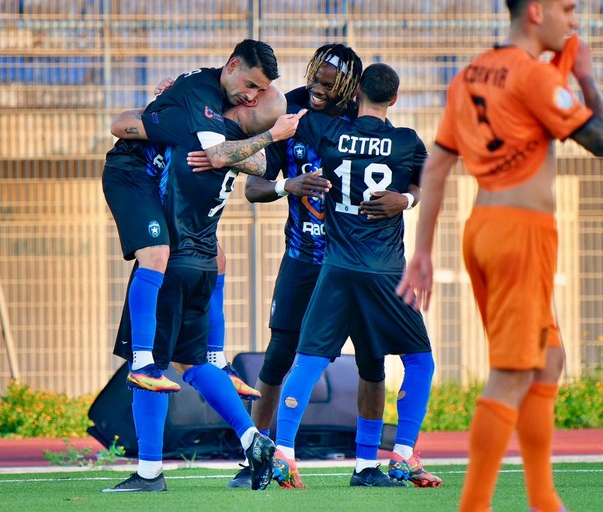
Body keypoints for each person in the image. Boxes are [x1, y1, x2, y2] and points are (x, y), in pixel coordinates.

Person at [396, 1, 603, 510]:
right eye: (567, 8)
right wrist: (585, 75)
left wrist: (423, 250)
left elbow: (437, 166)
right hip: (521, 234)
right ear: (536, 11)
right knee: (512, 373)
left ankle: (543, 498)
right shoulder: (535, 77)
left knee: (549, 360)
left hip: (484, 229)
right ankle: (475, 504)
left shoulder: (470, 75)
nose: (574, 20)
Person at [227, 44, 426, 489]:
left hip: (351, 262)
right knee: (279, 356)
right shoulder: (290, 112)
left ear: (352, 89)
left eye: (327, 85)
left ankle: (365, 466)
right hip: (304, 258)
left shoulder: (365, 122)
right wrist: (288, 185)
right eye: (314, 80)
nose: (316, 90)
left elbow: (413, 175)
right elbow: (254, 188)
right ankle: (258, 459)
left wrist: (405, 199)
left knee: (372, 362)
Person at [102, 87, 297, 493]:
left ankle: (149, 473)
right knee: (192, 364)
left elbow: (121, 127)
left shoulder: (199, 136)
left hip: (172, 265)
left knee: (149, 368)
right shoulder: (234, 151)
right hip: (205, 266)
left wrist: (163, 105)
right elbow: (254, 162)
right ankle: (252, 437)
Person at [102, 39, 283, 396]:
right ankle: (142, 362)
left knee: (218, 259)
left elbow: (247, 161)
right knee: (157, 254)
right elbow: (216, 155)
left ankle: (216, 359)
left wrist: (158, 107)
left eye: (258, 92)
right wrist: (271, 136)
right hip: (132, 175)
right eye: (250, 86)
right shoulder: (203, 96)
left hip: (162, 181)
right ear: (232, 65)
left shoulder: (215, 99)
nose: (251, 97)